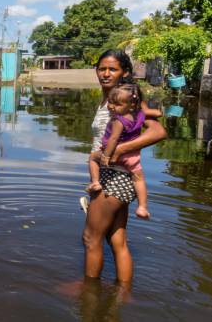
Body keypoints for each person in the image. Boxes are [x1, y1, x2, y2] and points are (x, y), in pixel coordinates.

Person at [81, 49, 167, 284]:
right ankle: (124, 294)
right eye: (102, 68)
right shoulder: (109, 101)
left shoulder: (129, 101)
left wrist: (118, 150)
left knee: (91, 237)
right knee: (117, 240)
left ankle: (89, 292)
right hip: (121, 177)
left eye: (113, 69)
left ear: (125, 72)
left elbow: (159, 131)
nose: (106, 73)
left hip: (115, 177)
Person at [85, 82, 162, 219]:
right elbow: (157, 113)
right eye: (110, 102)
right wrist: (155, 112)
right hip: (133, 157)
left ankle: (95, 182)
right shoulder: (139, 113)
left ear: (131, 104)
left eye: (117, 104)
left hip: (116, 154)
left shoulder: (118, 120)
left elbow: (113, 139)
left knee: (92, 158)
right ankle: (142, 207)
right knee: (139, 179)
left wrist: (106, 156)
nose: (111, 107)